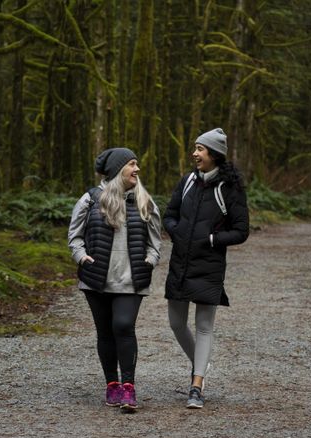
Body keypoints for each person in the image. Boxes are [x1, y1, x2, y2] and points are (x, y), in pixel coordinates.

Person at [68, 147, 162, 413]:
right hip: (96, 280)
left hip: (131, 281)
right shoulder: (90, 199)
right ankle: (112, 384)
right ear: (118, 170)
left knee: (123, 326)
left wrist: (150, 261)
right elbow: (74, 235)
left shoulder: (145, 201)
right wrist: (81, 256)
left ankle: (129, 387)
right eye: (132, 164)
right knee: (105, 332)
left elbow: (156, 242)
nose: (137, 169)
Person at [163, 128, 249, 409]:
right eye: (195, 148)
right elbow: (170, 214)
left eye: (200, 149)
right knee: (176, 323)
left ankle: (196, 385)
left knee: (203, 326)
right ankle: (202, 363)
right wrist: (177, 232)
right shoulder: (187, 181)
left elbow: (241, 230)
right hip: (181, 262)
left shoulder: (229, 188)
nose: (194, 154)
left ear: (214, 154)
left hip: (210, 265)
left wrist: (212, 239)